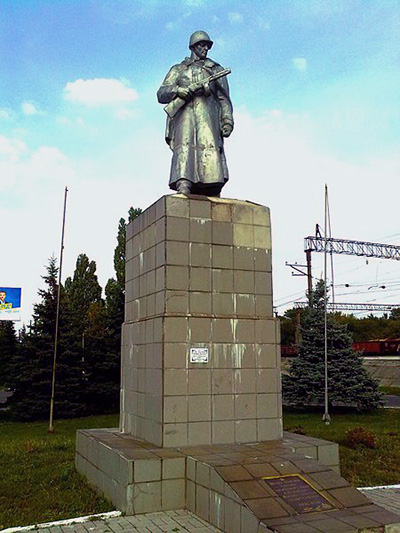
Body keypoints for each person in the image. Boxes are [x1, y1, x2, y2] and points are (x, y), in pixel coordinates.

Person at [157, 30, 234, 196]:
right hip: (185, 117)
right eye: (202, 45)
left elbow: (224, 99)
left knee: (210, 148)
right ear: (193, 46)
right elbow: (161, 93)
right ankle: (183, 182)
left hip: (209, 118)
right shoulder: (179, 69)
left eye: (207, 45)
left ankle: (212, 185)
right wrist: (178, 90)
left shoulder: (215, 69)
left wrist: (227, 121)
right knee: (185, 147)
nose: (205, 48)